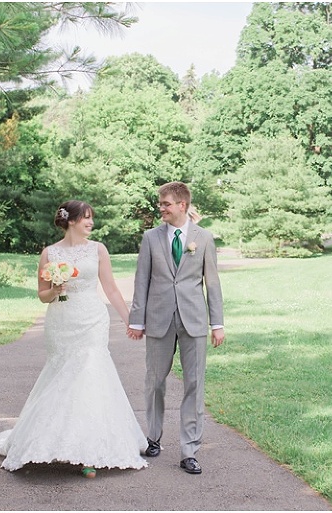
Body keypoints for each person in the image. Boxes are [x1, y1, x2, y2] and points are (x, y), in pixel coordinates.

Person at [0, 200, 148, 478]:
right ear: (70, 220)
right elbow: (42, 294)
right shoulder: (49, 253)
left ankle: (90, 449)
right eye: (85, 218)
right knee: (61, 376)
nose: (90, 223)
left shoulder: (98, 249)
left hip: (92, 319)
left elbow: (110, 289)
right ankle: (51, 440)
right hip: (61, 321)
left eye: (91, 219)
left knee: (91, 374)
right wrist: (56, 287)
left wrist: (129, 320)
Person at [127, 181, 225, 475]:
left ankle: (189, 450)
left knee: (194, 384)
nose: (161, 209)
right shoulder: (150, 238)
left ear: (182, 205)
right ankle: (153, 437)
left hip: (193, 319)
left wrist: (217, 323)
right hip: (158, 318)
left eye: (166, 204)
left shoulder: (204, 239)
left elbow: (213, 283)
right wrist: (137, 319)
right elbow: (141, 279)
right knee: (155, 380)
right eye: (161, 204)